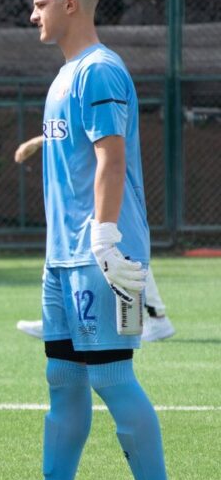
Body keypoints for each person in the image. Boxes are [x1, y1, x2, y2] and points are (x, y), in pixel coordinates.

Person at [0, 0, 185, 480]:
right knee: (64, 378)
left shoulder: (100, 71)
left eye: (41, 3)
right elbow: (81, 139)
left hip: (99, 255)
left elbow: (111, 158)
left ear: (71, 5)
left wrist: (104, 235)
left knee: (112, 377)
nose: (32, 13)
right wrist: (42, 140)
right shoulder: (69, 75)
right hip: (62, 258)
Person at [13, 135, 175, 342]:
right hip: (86, 182)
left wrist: (37, 141)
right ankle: (59, 319)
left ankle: (157, 317)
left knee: (122, 250)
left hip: (105, 184)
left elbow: (90, 128)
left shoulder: (104, 104)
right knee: (84, 249)